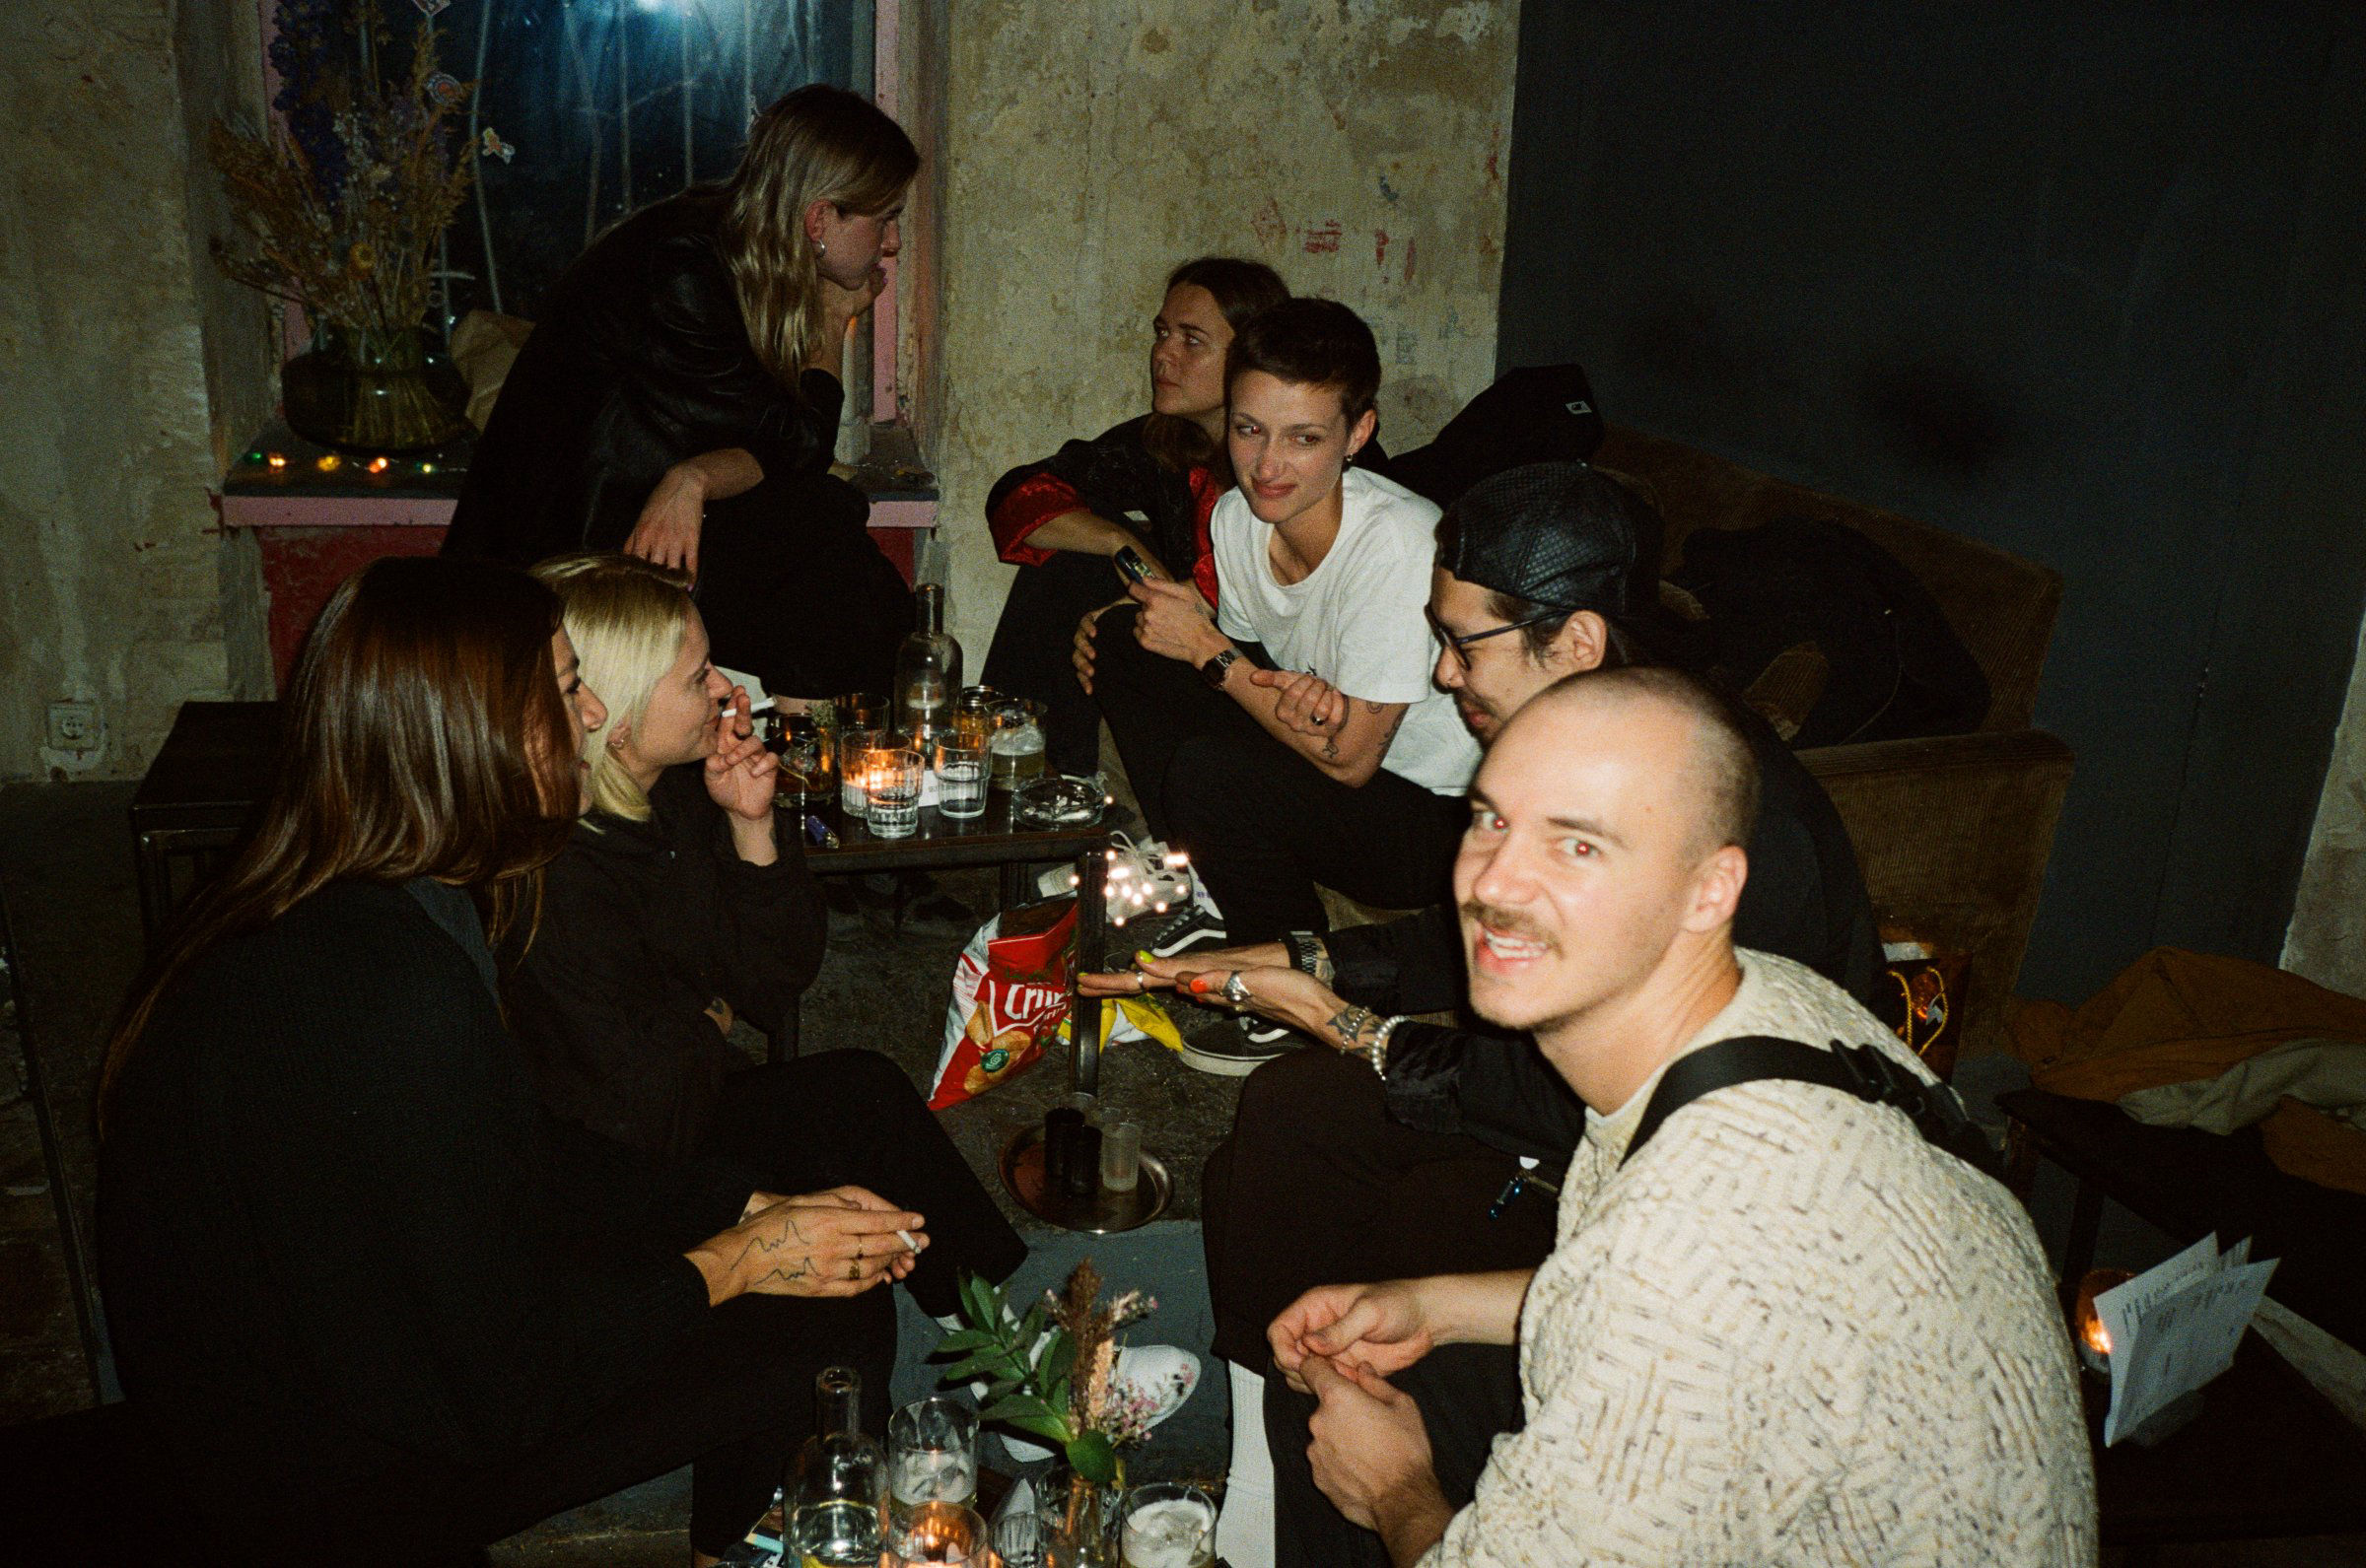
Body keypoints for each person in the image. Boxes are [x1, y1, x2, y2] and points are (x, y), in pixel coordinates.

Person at [1082, 462, 1880, 1565]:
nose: (1442, 672)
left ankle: (1353, 1477)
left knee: (1372, 1239)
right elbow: (1474, 937)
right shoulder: (1592, 741)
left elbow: (1574, 1100)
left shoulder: (1697, 808)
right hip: (1576, 1115)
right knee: (1287, 1119)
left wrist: (1345, 1022)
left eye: (1465, 644)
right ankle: (1277, 1472)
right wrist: (1307, 955)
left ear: (1578, 642)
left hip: (1672, 1180)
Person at [99, 557, 938, 1568]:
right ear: (473, 734)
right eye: (566, 688)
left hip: (393, 1367)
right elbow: (498, 1389)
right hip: (326, 1475)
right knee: (820, 1327)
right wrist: (740, 1260)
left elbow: (520, 1147)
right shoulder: (379, 988)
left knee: (812, 1264)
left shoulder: (380, 886)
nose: (592, 715)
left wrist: (743, 1203)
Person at [1276, 668, 2096, 1565]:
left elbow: (1679, 1294)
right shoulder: (1776, 1003)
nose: (1495, 881)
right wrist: (1431, 1305)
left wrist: (1392, 1487)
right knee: (1367, 1375)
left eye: (1579, 844)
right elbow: (1703, 1313)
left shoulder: (1685, 1253)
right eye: (1491, 819)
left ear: (1710, 889)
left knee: (1352, 1448)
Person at [507, 553, 1026, 1326]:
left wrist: (752, 825)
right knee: (835, 1189)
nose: (727, 689)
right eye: (698, 677)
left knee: (865, 1092)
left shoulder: (681, 792)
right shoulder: (562, 873)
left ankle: (1003, 1341)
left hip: (688, 1096)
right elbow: (643, 1108)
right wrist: (707, 1023)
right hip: (620, 1175)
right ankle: (995, 1356)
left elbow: (774, 981)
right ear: (616, 715)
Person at [1081, 298, 1480, 1071]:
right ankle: (1206, 889)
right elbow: (1261, 666)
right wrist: (1192, 643)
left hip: (1431, 818)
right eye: (1249, 429)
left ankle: (1285, 995)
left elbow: (1351, 759)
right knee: (1130, 641)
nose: (1267, 465)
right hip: (1344, 760)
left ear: (1357, 434)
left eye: (1304, 438)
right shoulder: (1237, 520)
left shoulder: (1399, 542)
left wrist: (1211, 651)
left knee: (1212, 767)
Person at [442, 84, 920, 700]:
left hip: (630, 518)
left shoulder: (733, 247)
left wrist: (692, 478)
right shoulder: (682, 269)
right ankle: (820, 747)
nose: (892, 244)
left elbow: (768, 443)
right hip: (555, 560)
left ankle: (822, 741)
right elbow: (795, 443)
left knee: (834, 551)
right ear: (820, 219)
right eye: (885, 219)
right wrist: (831, 321)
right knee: (824, 555)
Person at [978, 257, 1290, 775]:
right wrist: (1125, 547)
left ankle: (1053, 778)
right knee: (1074, 558)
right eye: (1162, 333)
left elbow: (1273, 584)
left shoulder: (1301, 455)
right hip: (1184, 643)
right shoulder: (1167, 442)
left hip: (1267, 673)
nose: (1163, 354)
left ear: (1251, 356)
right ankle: (1022, 765)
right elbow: (1021, 492)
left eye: (1192, 340)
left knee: (1117, 617)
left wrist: (1166, 596)